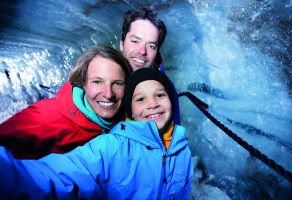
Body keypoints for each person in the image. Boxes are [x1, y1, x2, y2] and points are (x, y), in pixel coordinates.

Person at [0, 67, 193, 199]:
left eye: (160, 95)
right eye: (140, 99)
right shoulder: (110, 147)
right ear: (130, 111)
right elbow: (56, 178)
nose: (152, 104)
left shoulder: (181, 149)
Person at [0, 45, 132, 159]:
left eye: (117, 83)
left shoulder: (131, 117)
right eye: (97, 82)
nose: (108, 94)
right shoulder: (45, 117)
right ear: (83, 83)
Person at [119, 6, 181, 124]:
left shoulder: (166, 89)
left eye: (151, 46)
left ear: (157, 51)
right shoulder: (104, 76)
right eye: (135, 41)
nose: (142, 51)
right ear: (122, 43)